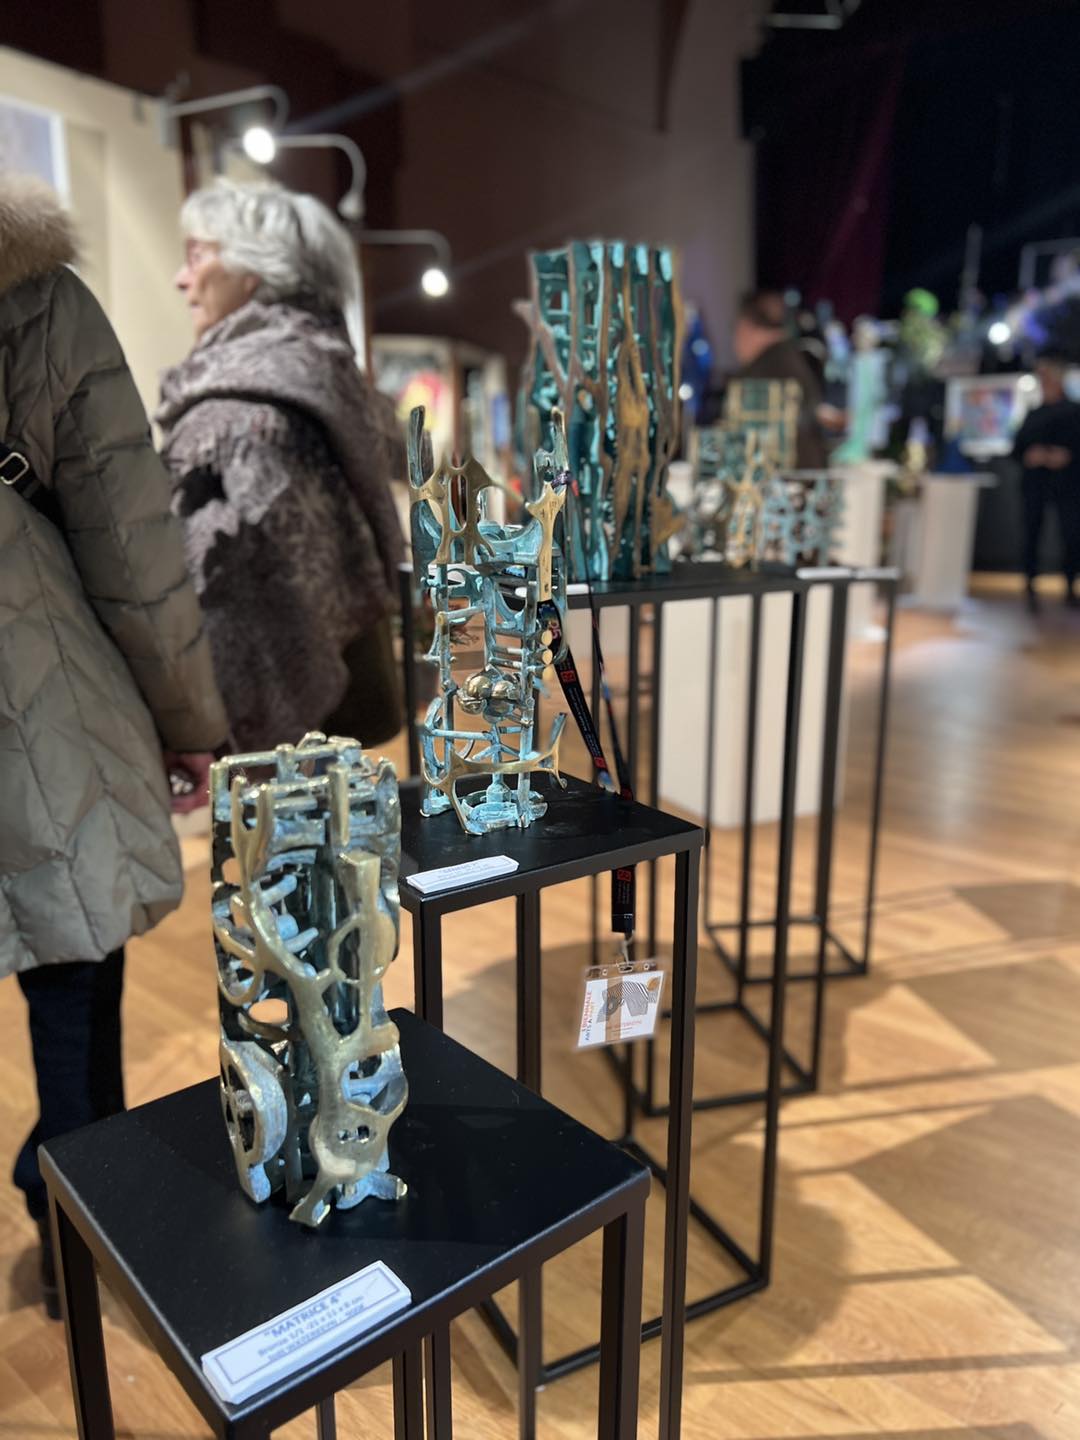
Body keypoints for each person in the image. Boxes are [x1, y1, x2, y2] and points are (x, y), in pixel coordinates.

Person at [0, 173, 227, 1314]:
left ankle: (75, 1194)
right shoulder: (31, 292)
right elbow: (129, 540)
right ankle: (84, 1220)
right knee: (75, 953)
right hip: (27, 675)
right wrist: (188, 721)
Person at [157, 179, 406, 752]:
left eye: (197, 255)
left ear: (253, 269)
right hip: (351, 687)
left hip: (280, 733)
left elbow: (222, 579)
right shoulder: (322, 370)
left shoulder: (245, 417)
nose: (181, 278)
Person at [1012, 354, 1080, 611]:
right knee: (1032, 532)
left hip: (1067, 484)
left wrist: (1066, 457)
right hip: (1036, 483)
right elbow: (1017, 449)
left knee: (1071, 534)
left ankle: (1070, 585)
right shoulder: (1034, 414)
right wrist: (1031, 455)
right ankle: (1030, 584)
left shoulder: (1074, 412)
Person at [732, 289, 828, 468]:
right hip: (805, 469)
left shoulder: (764, 369)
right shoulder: (787, 358)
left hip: (783, 475)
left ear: (746, 327)